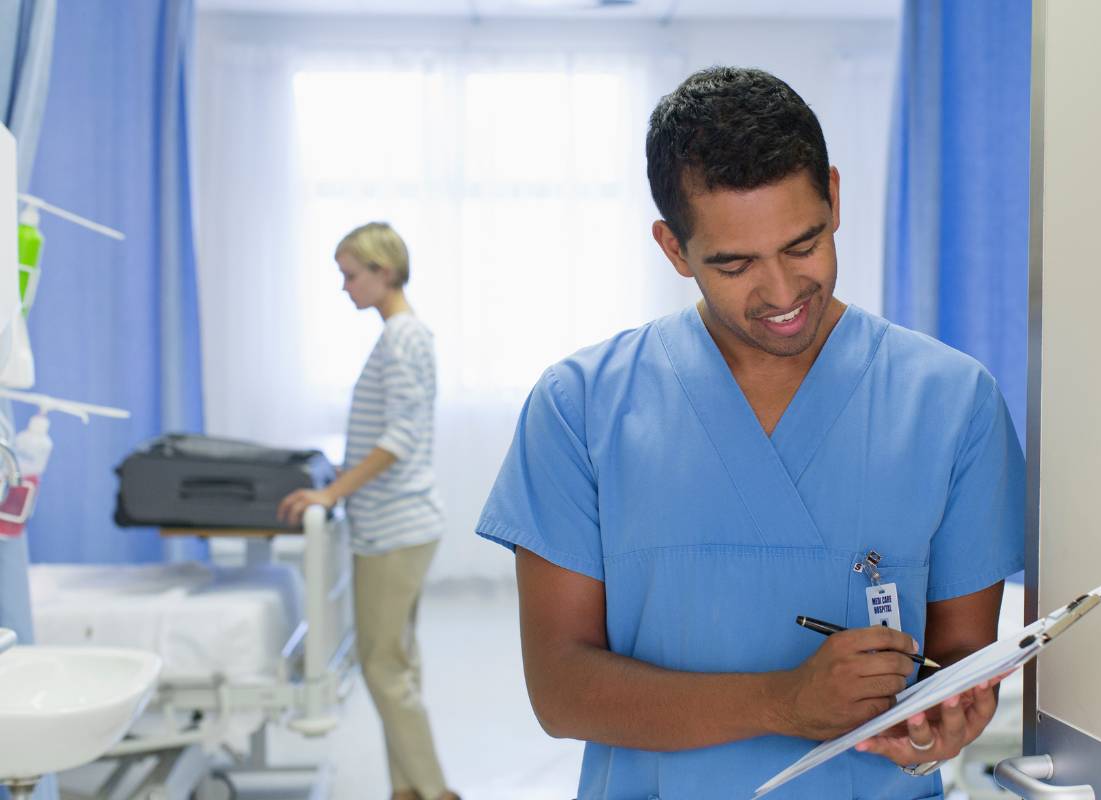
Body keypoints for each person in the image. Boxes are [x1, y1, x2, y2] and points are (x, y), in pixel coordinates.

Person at [475, 67, 1024, 799]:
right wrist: (782, 703)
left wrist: (938, 725)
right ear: (674, 249)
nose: (782, 293)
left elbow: (957, 666)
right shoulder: (579, 408)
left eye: (804, 244)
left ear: (834, 197)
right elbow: (561, 689)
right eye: (734, 264)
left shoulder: (953, 403)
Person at [278, 222, 459, 800]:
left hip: (394, 528)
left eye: (351, 275)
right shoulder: (399, 335)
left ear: (384, 272)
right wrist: (341, 476)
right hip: (400, 522)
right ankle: (407, 789)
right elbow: (391, 430)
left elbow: (401, 434)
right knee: (396, 665)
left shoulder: (404, 337)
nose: (344, 287)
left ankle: (432, 791)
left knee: (382, 668)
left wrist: (333, 494)